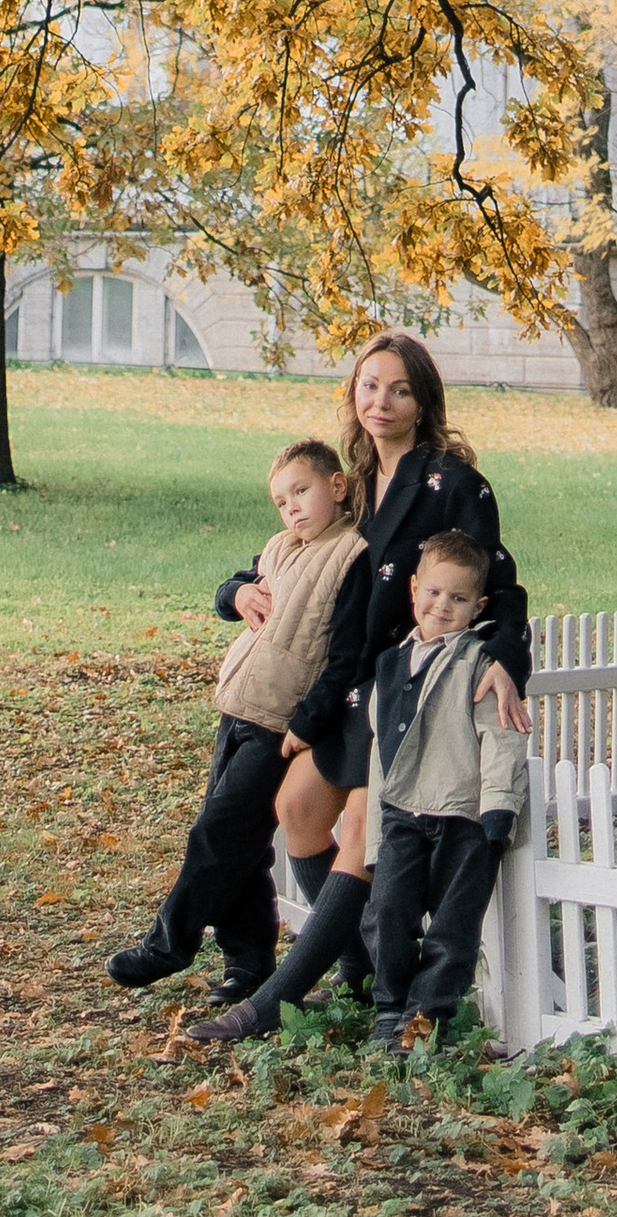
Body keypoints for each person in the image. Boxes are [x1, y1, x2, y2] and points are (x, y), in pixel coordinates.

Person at [189, 328, 530, 1043]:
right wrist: (235, 592)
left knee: (359, 832)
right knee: (297, 807)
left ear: (422, 401)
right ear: (354, 393)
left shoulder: (452, 483)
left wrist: (504, 657)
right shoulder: (351, 484)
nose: (382, 400)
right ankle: (365, 970)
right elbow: (283, 555)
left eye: (400, 389)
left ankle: (271, 1002)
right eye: (370, 385)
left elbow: (499, 583)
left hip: (418, 693)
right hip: (350, 688)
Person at [107, 438, 364, 1001]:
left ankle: (170, 941)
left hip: (280, 721)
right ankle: (248, 966)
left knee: (219, 832)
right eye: (280, 500)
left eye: (302, 491)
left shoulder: (352, 555)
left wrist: (309, 721)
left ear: (337, 487)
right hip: (238, 710)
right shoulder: (280, 547)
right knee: (242, 845)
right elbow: (231, 588)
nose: (291, 507)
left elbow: (346, 655)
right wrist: (240, 593)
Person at [356, 531, 524, 1047]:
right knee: (386, 913)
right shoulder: (389, 666)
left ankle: (428, 1017)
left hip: (463, 815)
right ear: (413, 589)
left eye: (458, 598)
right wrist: (374, 838)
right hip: (403, 810)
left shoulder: (479, 664)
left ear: (478, 607)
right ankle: (391, 1009)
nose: (442, 606)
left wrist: (499, 806)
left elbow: (501, 734)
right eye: (433, 592)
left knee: (453, 927)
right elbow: (381, 751)